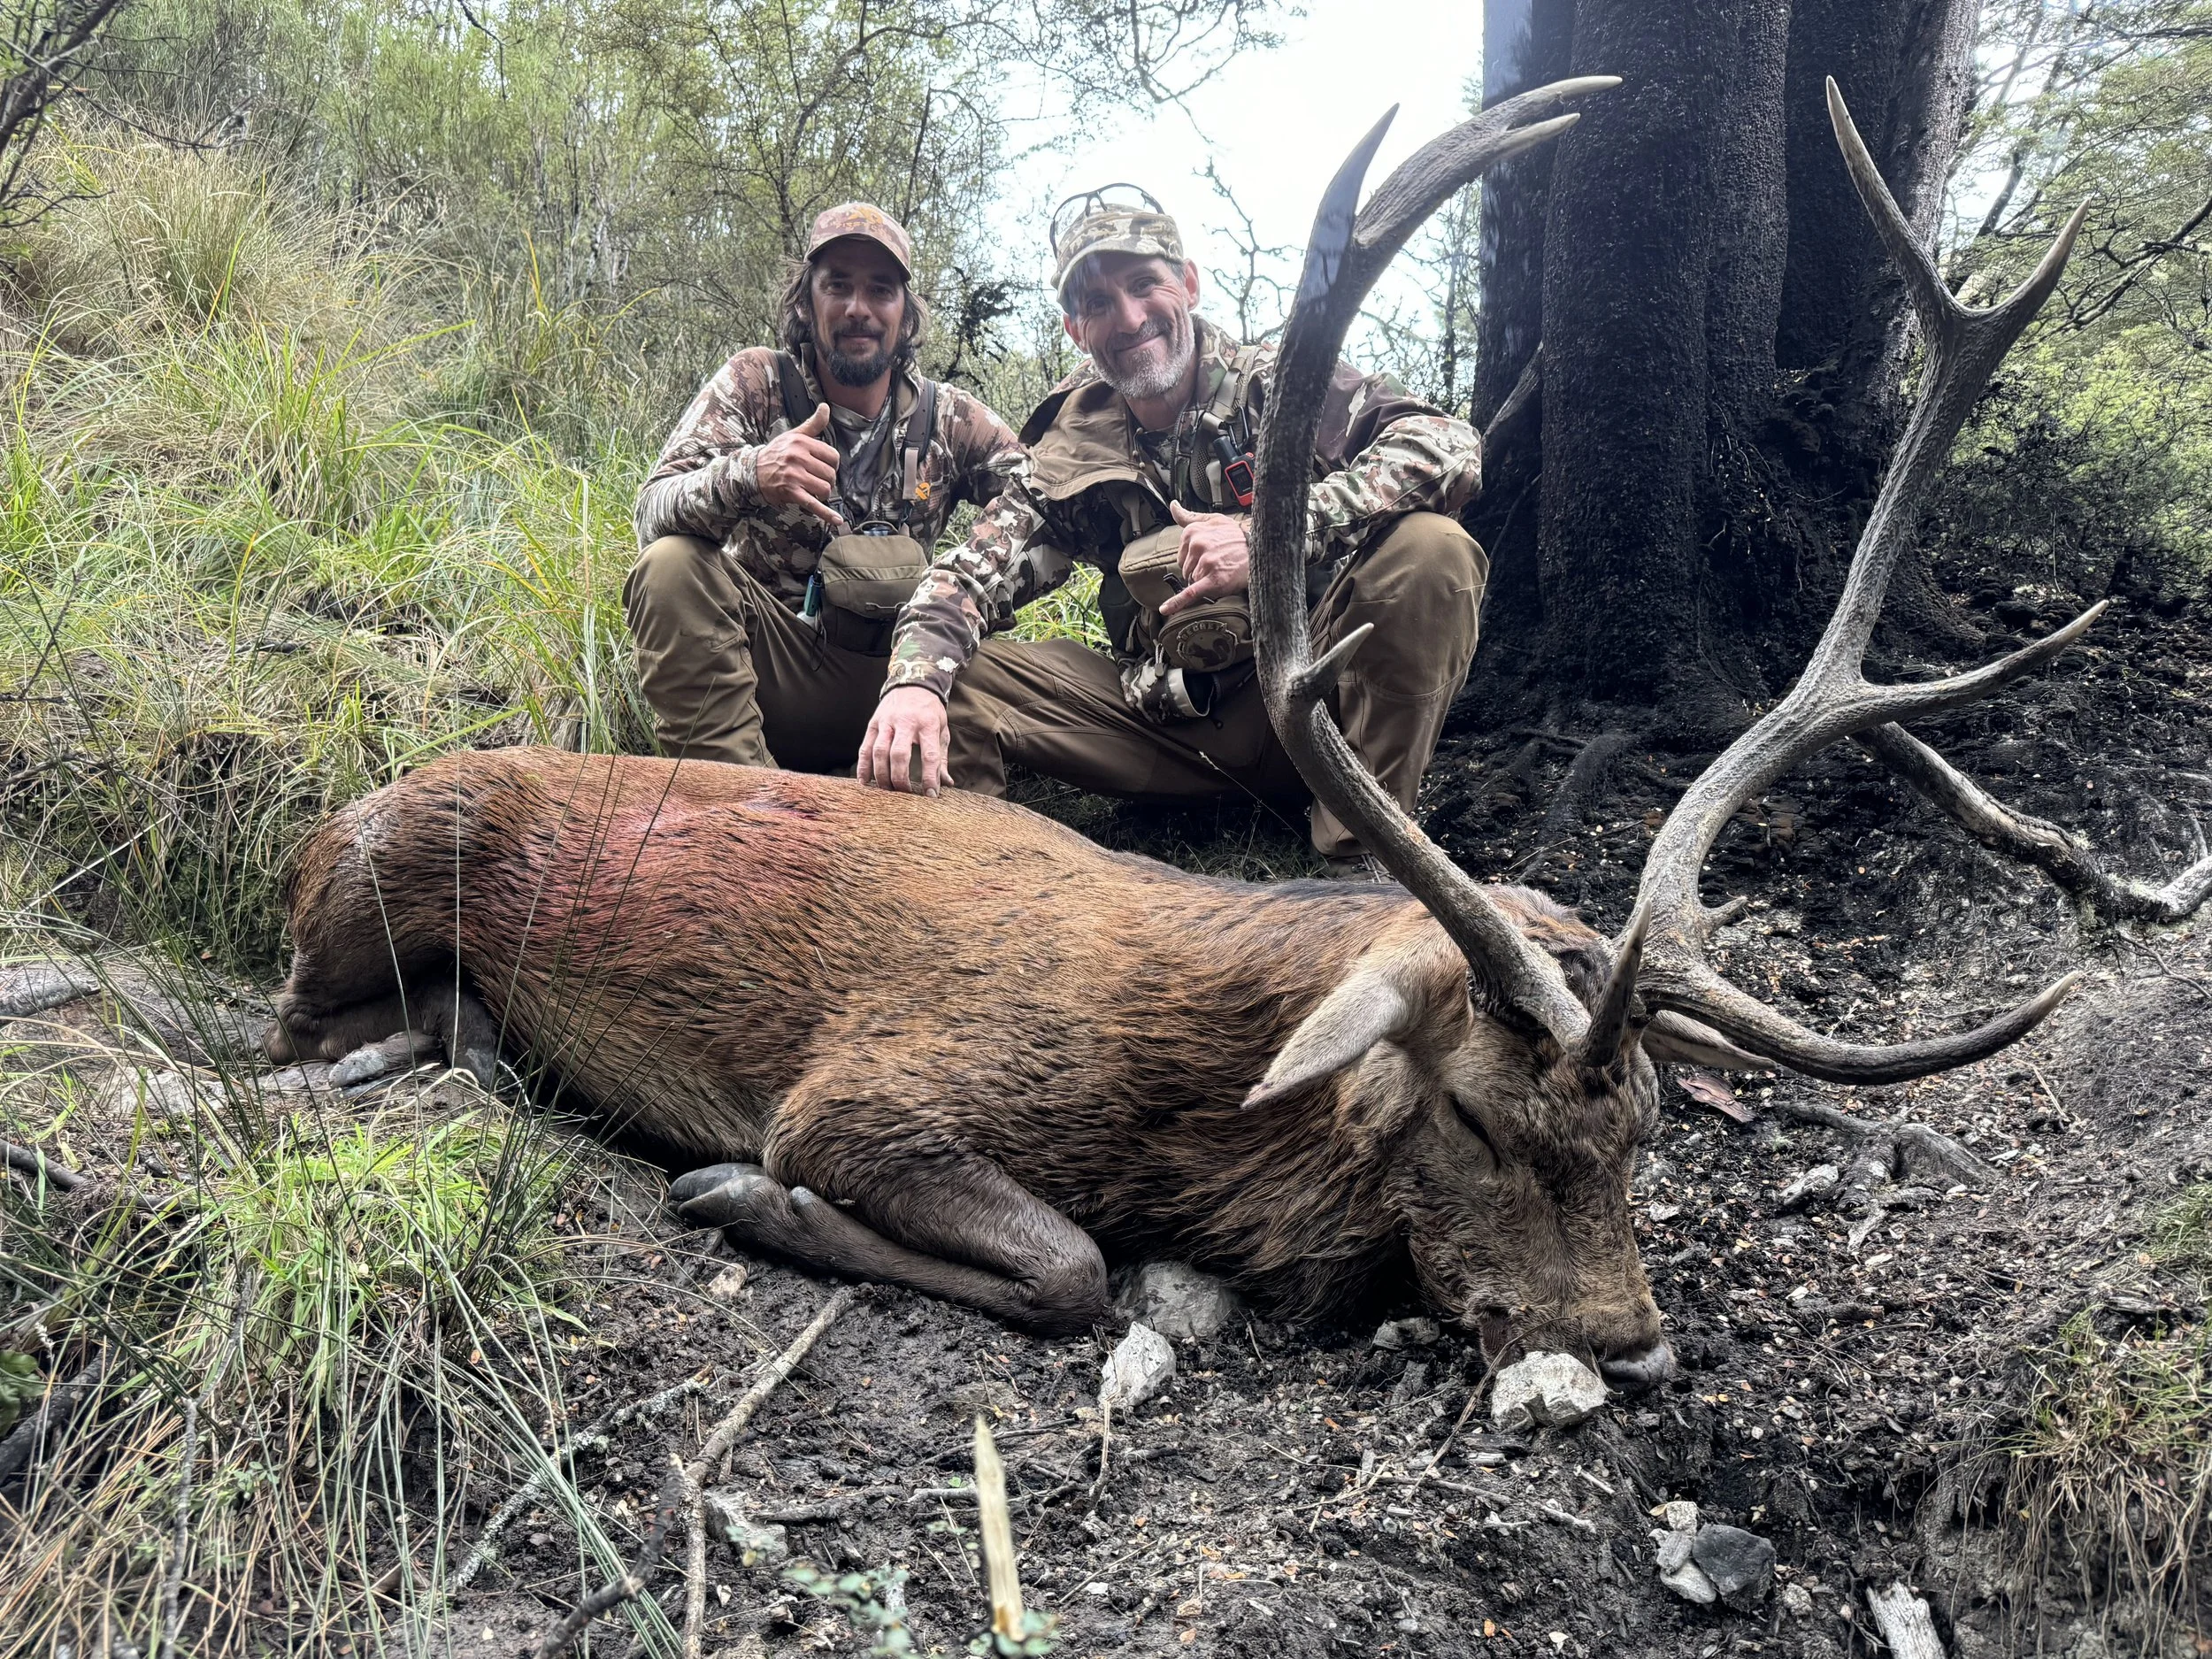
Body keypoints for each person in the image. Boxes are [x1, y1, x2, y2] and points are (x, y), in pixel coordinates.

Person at [856, 187, 1486, 874]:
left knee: (1433, 552)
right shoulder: (1070, 449)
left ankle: (1358, 857)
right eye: (1097, 303)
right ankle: (990, 889)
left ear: (1186, 284)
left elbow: (1445, 442)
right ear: (1076, 329)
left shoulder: (1281, 384)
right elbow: (965, 574)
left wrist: (1271, 535)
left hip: (1322, 716)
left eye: (1143, 284)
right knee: (958, 676)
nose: (1128, 318)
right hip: (1169, 721)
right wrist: (913, 683)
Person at [625, 204, 1025, 772]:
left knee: (994, 666)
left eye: (880, 290)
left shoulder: (949, 417)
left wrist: (959, 591)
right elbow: (651, 512)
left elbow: (1039, 496)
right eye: (837, 286)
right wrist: (751, 473)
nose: (858, 309)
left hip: (905, 681)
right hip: (779, 681)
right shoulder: (757, 382)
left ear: (905, 314)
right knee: (669, 565)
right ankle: (747, 805)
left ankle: (932, 819)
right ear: (806, 303)